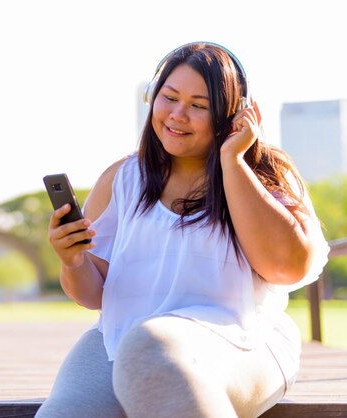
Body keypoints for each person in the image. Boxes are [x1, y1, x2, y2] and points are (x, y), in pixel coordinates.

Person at [35, 42, 330, 418]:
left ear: (233, 114)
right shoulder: (122, 178)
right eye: (169, 97)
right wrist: (73, 260)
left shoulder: (265, 175)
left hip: (239, 342)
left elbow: (286, 268)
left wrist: (232, 160)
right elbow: (94, 295)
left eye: (199, 105)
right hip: (121, 339)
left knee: (152, 348)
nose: (177, 115)